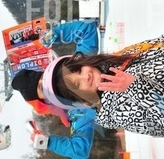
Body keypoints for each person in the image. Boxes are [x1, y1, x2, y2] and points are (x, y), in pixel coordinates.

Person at [11, 20, 99, 158]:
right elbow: (80, 150)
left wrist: (55, 34)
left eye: (42, 77)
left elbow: (86, 31)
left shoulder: (80, 65)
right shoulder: (78, 112)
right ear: (46, 102)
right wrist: (48, 142)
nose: (46, 83)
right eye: (42, 88)